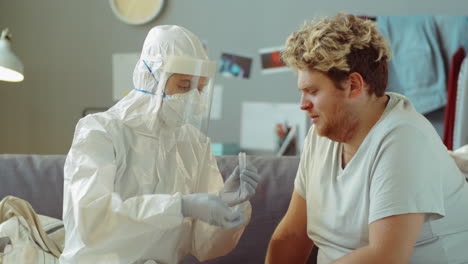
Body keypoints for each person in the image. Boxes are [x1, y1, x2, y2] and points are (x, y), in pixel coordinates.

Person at [266, 13, 468, 264]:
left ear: (354, 85)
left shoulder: (404, 139)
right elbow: (292, 234)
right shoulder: (321, 135)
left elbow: (385, 257)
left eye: (313, 91)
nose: (303, 105)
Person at [60, 25, 260, 264]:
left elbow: (204, 247)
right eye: (185, 86)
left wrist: (228, 205)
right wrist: (181, 206)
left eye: (200, 89)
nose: (194, 100)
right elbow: (93, 220)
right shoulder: (99, 131)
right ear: (151, 76)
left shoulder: (194, 144)